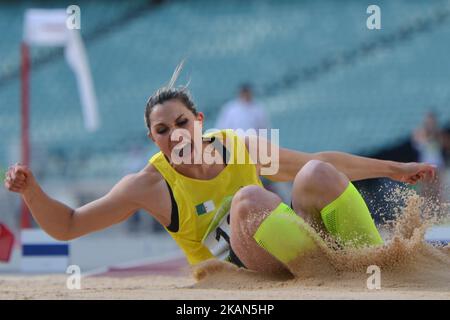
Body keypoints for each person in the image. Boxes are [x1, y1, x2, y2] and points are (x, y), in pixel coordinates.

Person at [4, 63, 436, 276]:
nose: (175, 134)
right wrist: (31, 192)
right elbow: (69, 225)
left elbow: (324, 163)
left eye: (181, 123)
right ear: (152, 138)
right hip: (247, 281)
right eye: (162, 129)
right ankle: (326, 279)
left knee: (316, 173)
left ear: (199, 122)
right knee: (249, 199)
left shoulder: (238, 148)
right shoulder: (148, 186)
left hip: (293, 250)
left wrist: (392, 168)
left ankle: (381, 270)